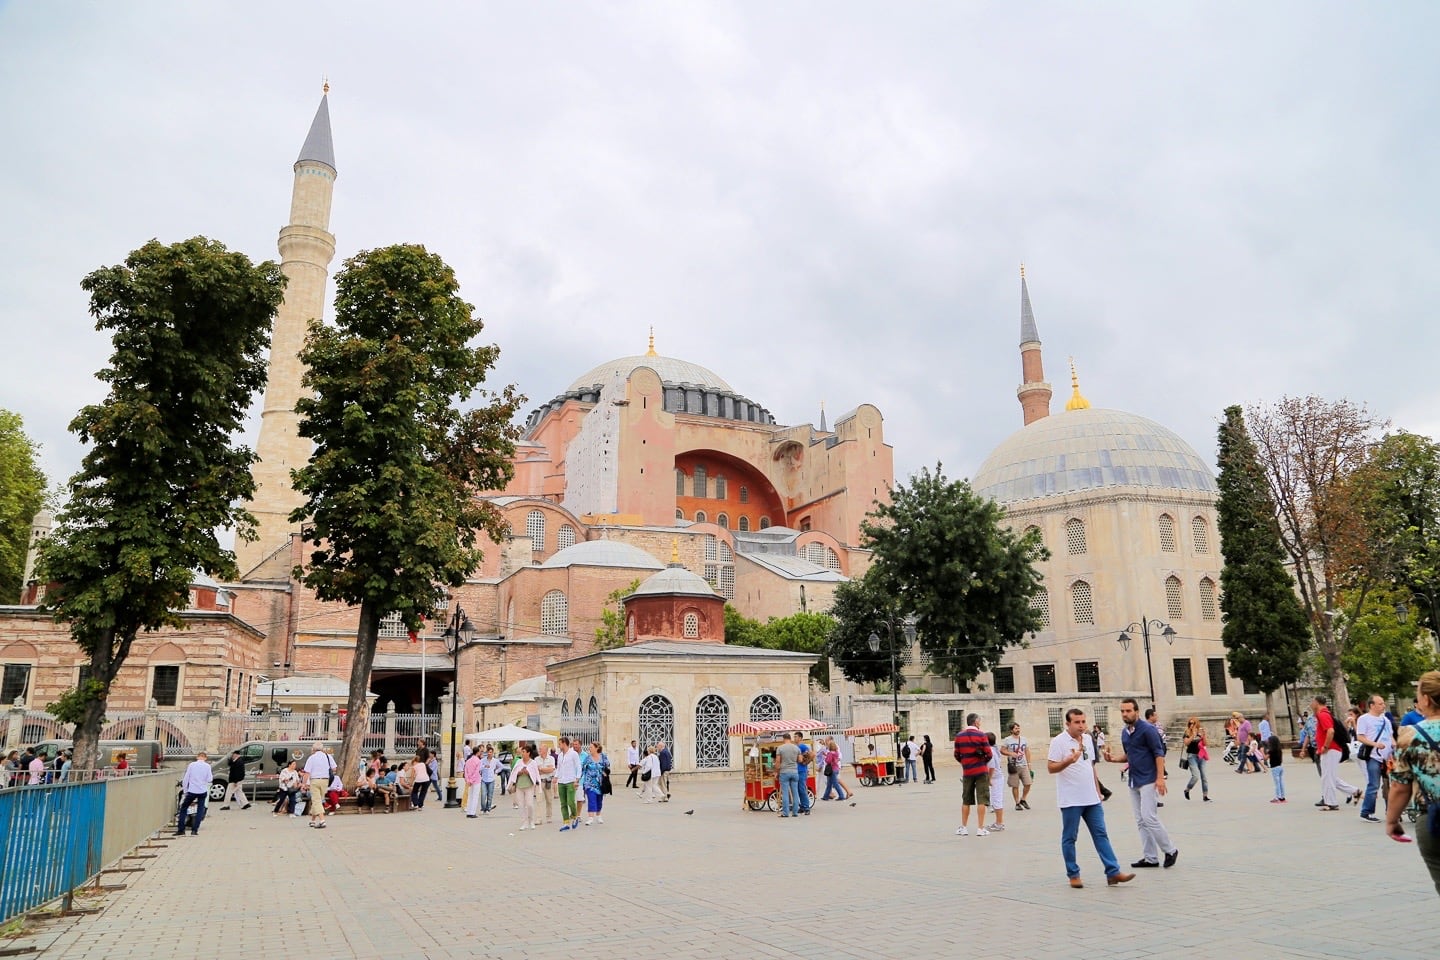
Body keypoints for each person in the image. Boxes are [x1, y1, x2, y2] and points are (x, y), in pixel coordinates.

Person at [1048, 709, 1134, 889]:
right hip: (1071, 799)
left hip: (1091, 798)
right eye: (1077, 722)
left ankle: (1113, 872)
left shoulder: (1088, 739)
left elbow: (1091, 766)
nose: (1081, 725)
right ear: (1068, 724)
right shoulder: (1058, 742)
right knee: (1070, 837)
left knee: (1101, 834)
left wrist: (1098, 791)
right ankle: (1073, 874)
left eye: (1083, 722)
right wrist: (1068, 762)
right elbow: (1051, 768)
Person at [1105, 697, 1179, 869]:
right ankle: (1150, 858)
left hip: (1149, 779)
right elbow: (1130, 755)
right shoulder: (1125, 732)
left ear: (1137, 712)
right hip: (1134, 779)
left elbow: (1158, 753)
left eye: (1128, 710)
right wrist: (1113, 759)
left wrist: (1160, 778)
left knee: (1149, 817)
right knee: (1140, 820)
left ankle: (1171, 850)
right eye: (1122, 711)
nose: (1125, 714)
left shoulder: (1147, 730)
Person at [1385, 670, 1440, 894]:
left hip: (1434, 820)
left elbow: (1400, 786)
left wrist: (1392, 820)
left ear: (1426, 699)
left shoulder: (1410, 735)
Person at [1355, 694, 1394, 823]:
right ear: (1372, 705)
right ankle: (1367, 812)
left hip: (1388, 757)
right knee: (1374, 784)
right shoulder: (1364, 719)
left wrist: (1394, 745)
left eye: (1383, 703)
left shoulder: (1385, 720)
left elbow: (1390, 736)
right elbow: (1360, 737)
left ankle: (1391, 811)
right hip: (1373, 756)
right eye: (1380, 703)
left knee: (1390, 785)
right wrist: (1375, 744)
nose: (1383, 706)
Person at [953, 713, 991, 836]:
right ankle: (980, 828)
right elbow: (989, 754)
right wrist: (982, 762)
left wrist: (965, 763)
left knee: (966, 799)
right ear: (975, 722)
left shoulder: (959, 736)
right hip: (981, 770)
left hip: (967, 771)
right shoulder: (981, 735)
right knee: (982, 799)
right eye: (979, 721)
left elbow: (957, 754)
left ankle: (963, 827)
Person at [1312, 695, 1345, 810]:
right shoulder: (1324, 714)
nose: (1311, 705)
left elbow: (1330, 731)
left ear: (1317, 703)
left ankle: (1331, 802)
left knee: (1328, 777)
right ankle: (1354, 792)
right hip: (1329, 750)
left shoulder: (1323, 714)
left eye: (1313, 702)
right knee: (1328, 776)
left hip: (1330, 749)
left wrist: (1325, 746)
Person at [176, 751, 212, 836]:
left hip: (192, 791)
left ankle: (181, 830)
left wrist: (185, 791)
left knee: (183, 808)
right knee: (200, 810)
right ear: (205, 758)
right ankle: (194, 830)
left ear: (197, 757)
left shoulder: (192, 765)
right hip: (202, 791)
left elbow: (186, 779)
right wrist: (203, 782)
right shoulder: (207, 766)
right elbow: (210, 779)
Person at [508, 743, 540, 830]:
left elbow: (535, 774)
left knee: (530, 804)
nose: (522, 753)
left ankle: (531, 821)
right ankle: (524, 822)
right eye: (522, 752)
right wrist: (519, 773)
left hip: (529, 786)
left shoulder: (533, 763)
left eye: (524, 752)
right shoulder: (519, 762)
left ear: (528, 753)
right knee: (521, 805)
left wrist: (528, 773)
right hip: (519, 786)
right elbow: (514, 772)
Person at [302, 741, 334, 829]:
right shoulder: (328, 756)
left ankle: (322, 820)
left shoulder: (311, 758)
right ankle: (312, 820)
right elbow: (334, 768)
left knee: (316, 800)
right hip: (325, 781)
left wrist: (304, 784)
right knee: (318, 800)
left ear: (313, 749)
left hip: (315, 780)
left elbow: (307, 772)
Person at [1181, 717, 1211, 802]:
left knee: (1204, 776)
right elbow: (1186, 743)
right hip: (1192, 756)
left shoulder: (1200, 732)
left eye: (1193, 723)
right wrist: (1192, 735)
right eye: (1190, 723)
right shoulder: (1187, 732)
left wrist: (1204, 735)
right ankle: (1187, 789)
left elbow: (1205, 744)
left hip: (1201, 756)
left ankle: (1205, 796)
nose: (1191, 725)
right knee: (1195, 776)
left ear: (1197, 723)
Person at [1004, 723, 1033, 810]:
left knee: (1028, 783)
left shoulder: (1023, 739)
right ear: (1011, 730)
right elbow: (1002, 750)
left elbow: (1027, 751)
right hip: (1013, 766)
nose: (1018, 730)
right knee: (1015, 785)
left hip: (1023, 765)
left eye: (1018, 728)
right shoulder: (1007, 740)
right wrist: (1010, 753)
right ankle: (1017, 803)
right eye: (1016, 728)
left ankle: (1023, 799)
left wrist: (1029, 764)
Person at [580, 741, 609, 825]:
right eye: (589, 747)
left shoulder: (603, 757)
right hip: (589, 783)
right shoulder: (588, 758)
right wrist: (577, 780)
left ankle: (599, 816)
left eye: (591, 747)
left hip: (600, 783)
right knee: (591, 799)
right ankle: (590, 817)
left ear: (597, 748)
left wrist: (605, 773)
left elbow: (607, 766)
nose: (590, 749)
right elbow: (582, 769)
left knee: (599, 800)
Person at [556, 737, 581, 830]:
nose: (559, 746)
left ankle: (575, 816)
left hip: (571, 781)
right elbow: (558, 768)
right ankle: (566, 822)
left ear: (564, 743)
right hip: (561, 781)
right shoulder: (560, 755)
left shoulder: (573, 754)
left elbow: (578, 766)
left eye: (560, 744)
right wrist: (555, 777)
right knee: (563, 803)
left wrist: (577, 779)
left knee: (570, 801)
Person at [774, 733, 802, 819]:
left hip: (784, 772)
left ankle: (786, 813)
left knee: (785, 793)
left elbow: (778, 762)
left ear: (784, 739)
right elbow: (800, 760)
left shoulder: (780, 748)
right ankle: (795, 812)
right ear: (790, 738)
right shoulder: (796, 748)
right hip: (794, 772)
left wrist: (776, 772)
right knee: (795, 793)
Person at [986, 732, 1006, 832]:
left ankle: (999, 823)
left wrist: (989, 779)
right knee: (996, 800)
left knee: (997, 800)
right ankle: (999, 822)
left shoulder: (990, 751)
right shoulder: (994, 749)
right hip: (997, 777)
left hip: (995, 778)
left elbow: (992, 767)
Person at [537, 742, 557, 824]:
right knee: (538, 801)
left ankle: (549, 816)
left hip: (548, 781)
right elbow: (537, 771)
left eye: (541, 749)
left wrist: (542, 769)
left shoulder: (551, 759)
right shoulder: (536, 759)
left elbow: (552, 769)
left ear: (545, 750)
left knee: (549, 800)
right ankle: (539, 818)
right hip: (540, 782)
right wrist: (546, 769)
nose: (539, 750)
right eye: (539, 749)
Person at [463, 746, 484, 818]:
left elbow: (465, 771)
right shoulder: (478, 761)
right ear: (478, 752)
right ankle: (472, 812)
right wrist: (472, 780)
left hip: (469, 781)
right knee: (475, 796)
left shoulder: (468, 761)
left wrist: (468, 780)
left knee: (470, 796)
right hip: (476, 780)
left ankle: (468, 812)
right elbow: (476, 772)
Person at [480, 746, 500, 814]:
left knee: (490, 795)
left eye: (491, 752)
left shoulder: (495, 761)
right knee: (483, 795)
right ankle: (483, 808)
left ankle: (488, 808)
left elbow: (501, 766)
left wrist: (496, 771)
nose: (489, 753)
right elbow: (479, 768)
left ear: (493, 753)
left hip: (491, 779)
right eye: (488, 752)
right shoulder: (483, 760)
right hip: (484, 779)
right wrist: (484, 766)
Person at [1267, 734, 1286, 803]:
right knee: (1281, 783)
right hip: (1280, 766)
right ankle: (1282, 797)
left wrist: (1262, 752)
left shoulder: (1271, 751)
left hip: (1274, 768)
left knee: (1277, 783)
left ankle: (1277, 797)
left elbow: (1265, 758)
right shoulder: (1279, 750)